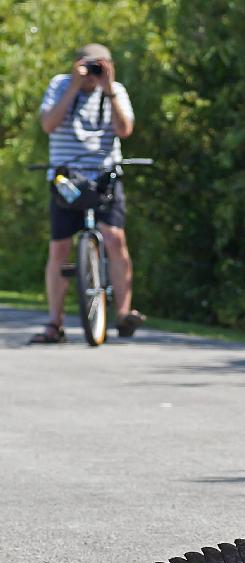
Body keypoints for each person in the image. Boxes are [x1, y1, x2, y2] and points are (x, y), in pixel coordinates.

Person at [30, 43, 143, 343]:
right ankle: (55, 323)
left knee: (115, 238)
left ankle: (123, 313)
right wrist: (74, 86)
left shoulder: (116, 90)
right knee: (59, 248)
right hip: (67, 179)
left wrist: (109, 89)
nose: (93, 73)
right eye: (89, 66)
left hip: (106, 176)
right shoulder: (60, 85)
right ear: (76, 64)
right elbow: (48, 124)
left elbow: (125, 129)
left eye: (100, 66)